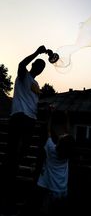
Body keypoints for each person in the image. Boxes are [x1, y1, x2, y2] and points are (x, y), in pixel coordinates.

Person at [2, 46, 49, 215]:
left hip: (31, 120)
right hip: (19, 116)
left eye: (42, 68)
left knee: (21, 153)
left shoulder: (35, 84)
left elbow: (36, 100)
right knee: (13, 153)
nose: (40, 69)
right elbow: (21, 63)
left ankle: (11, 183)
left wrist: (45, 104)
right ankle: (8, 189)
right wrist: (37, 52)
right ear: (33, 65)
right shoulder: (23, 76)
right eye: (38, 65)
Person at [20, 110, 75, 216]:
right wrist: (66, 117)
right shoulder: (67, 150)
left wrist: (50, 115)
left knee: (45, 207)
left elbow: (49, 131)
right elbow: (67, 133)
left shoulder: (50, 147)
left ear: (58, 144)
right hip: (62, 188)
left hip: (50, 187)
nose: (62, 135)